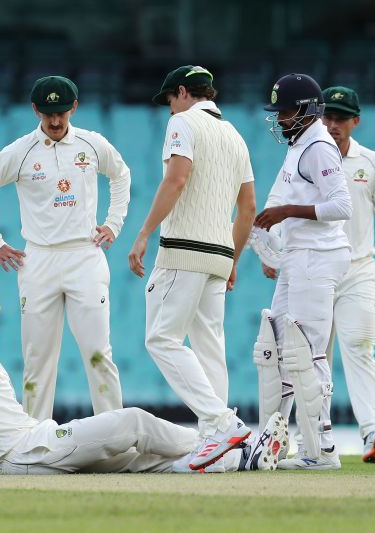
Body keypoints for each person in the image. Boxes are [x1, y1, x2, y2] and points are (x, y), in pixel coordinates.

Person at [0, 277, 287, 476]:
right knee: (133, 421)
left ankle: (238, 461)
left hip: (29, 449)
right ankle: (237, 439)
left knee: (139, 460)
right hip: (30, 449)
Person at [256, 86, 375, 463]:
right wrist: (271, 244)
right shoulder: (302, 149)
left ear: (355, 121)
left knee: (356, 348)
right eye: (329, 117)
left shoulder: (369, 162)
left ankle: (374, 431)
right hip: (307, 261)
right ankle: (280, 437)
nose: (333, 125)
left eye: (341, 119)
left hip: (356, 268)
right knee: (299, 352)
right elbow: (275, 201)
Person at [0, 76, 130, 421]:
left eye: (60, 113)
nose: (55, 122)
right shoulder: (21, 151)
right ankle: (33, 443)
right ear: (34, 110)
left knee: (98, 354)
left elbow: (121, 174)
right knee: (38, 359)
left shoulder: (91, 143)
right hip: (38, 259)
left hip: (85, 256)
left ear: (73, 107)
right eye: (47, 114)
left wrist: (113, 223)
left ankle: (115, 436)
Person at [127, 65, 256, 470]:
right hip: (219, 253)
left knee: (161, 339)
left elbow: (177, 179)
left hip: (184, 250)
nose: (169, 109)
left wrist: (145, 232)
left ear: (183, 92)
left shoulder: (184, 122)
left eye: (169, 100)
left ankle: (221, 424)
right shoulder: (235, 135)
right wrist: (233, 258)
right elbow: (248, 208)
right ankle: (216, 447)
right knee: (208, 346)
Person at [253, 74, 353, 470]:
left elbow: (342, 206)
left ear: (309, 109)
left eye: (287, 111)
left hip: (319, 255)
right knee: (277, 348)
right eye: (277, 112)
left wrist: (287, 213)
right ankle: (274, 442)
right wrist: (270, 237)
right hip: (299, 255)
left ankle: (322, 450)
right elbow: (283, 196)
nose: (280, 119)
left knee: (307, 353)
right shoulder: (299, 144)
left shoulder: (319, 147)